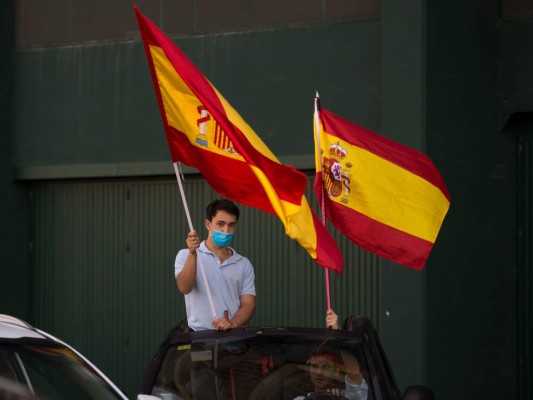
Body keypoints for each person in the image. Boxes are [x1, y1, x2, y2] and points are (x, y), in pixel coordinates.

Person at [174, 199, 256, 331]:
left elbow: (248, 304)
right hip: (199, 337)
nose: (226, 230)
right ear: (208, 224)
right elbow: (185, 288)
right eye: (220, 224)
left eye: (231, 225)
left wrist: (232, 323)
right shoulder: (186, 255)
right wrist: (193, 254)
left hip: (233, 337)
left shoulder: (243, 264)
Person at [294, 346, 368, 400]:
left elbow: (354, 374)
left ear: (336, 371)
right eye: (314, 366)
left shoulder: (349, 397)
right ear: (309, 371)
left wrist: (339, 399)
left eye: (326, 367)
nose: (319, 372)